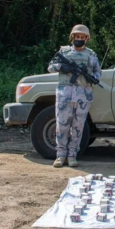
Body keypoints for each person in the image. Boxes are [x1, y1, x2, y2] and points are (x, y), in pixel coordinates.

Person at [47, 24, 102, 168]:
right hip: (65, 93)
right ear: (73, 37)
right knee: (62, 125)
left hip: (82, 95)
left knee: (78, 126)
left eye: (82, 37)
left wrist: (93, 78)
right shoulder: (63, 52)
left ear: (86, 39)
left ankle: (72, 156)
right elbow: (50, 67)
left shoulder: (91, 55)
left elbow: (98, 72)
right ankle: (60, 155)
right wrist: (61, 67)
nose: (79, 39)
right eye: (77, 36)